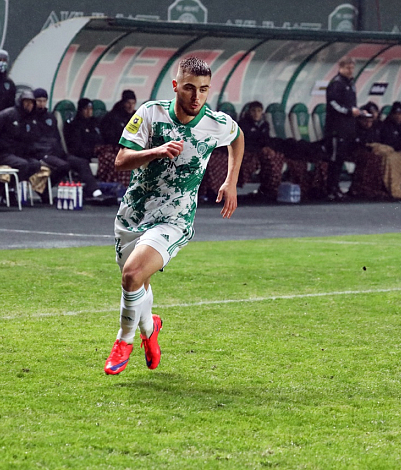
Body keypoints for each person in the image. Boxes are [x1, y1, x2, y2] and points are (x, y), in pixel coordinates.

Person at [104, 57, 244, 375]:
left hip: (174, 218)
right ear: (175, 85)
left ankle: (123, 340)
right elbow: (121, 160)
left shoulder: (216, 122)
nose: (197, 96)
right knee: (138, 281)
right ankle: (150, 328)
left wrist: (231, 181)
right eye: (190, 88)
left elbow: (237, 137)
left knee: (132, 275)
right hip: (134, 213)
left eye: (204, 90)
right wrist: (155, 151)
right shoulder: (150, 113)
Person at [30, 88, 106, 203]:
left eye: (44, 101)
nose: (41, 104)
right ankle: (44, 190)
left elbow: (56, 137)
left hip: (56, 152)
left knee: (81, 162)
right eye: (39, 101)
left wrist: (59, 150)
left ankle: (95, 192)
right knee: (64, 166)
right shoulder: (29, 118)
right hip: (41, 153)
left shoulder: (50, 117)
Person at [325, 56, 366, 201]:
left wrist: (358, 111)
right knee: (335, 159)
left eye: (352, 68)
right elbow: (333, 104)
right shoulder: (336, 83)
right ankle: (331, 189)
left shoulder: (351, 83)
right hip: (336, 129)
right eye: (348, 68)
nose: (350, 71)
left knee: (341, 158)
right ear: (340, 68)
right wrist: (349, 111)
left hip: (347, 128)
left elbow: (350, 104)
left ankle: (336, 188)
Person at [0, 90, 42, 182]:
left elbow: (33, 139)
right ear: (21, 102)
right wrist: (5, 146)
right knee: (22, 164)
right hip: (1, 153)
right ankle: (8, 187)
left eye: (31, 103)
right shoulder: (6, 115)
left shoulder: (32, 120)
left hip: (19, 153)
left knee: (35, 164)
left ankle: (15, 185)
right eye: (26, 102)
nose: (29, 105)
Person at [237, 101, 284, 201]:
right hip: (250, 150)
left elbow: (266, 139)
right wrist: (260, 148)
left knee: (275, 156)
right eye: (253, 111)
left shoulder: (264, 125)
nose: (256, 114)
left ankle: (271, 188)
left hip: (262, 151)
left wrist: (268, 147)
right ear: (249, 112)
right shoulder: (243, 124)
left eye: (259, 111)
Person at [96, 90, 137, 187]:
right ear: (123, 103)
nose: (131, 106)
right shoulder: (112, 117)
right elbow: (108, 137)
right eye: (128, 103)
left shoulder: (136, 117)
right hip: (113, 148)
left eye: (133, 103)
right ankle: (119, 187)